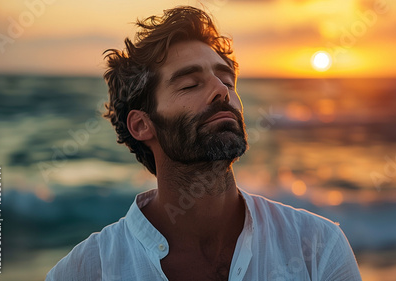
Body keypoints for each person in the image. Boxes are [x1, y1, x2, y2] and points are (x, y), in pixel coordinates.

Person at [46, 6, 362, 281]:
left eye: (227, 81)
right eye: (190, 84)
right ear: (142, 125)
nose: (221, 92)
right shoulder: (84, 271)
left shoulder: (318, 246)